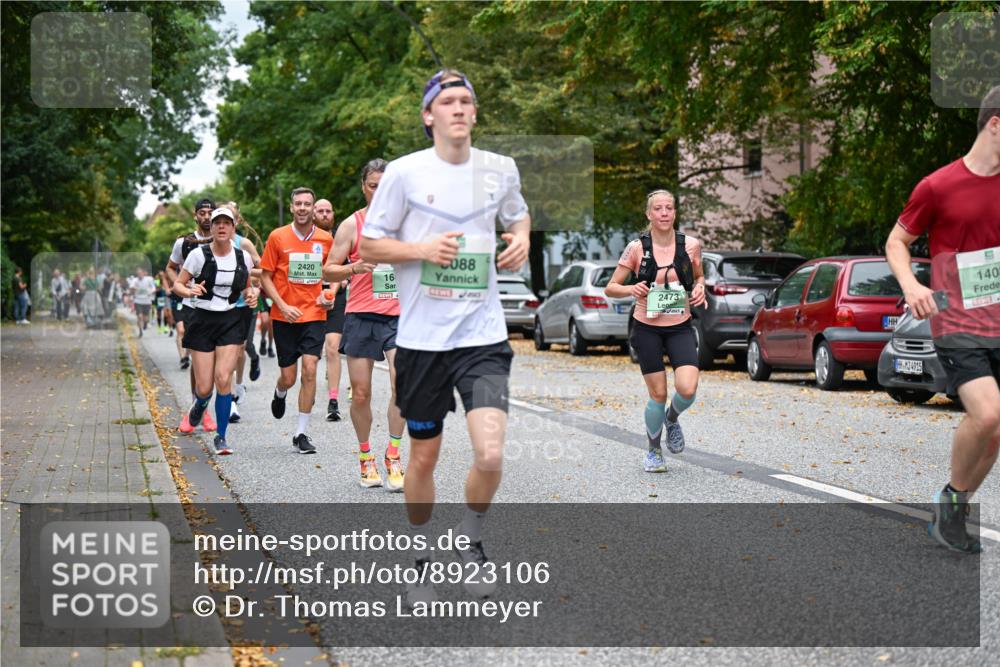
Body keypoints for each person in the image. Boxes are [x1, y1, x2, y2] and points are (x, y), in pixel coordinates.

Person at [359, 69, 531, 604]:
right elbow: (368, 247)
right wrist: (422, 250)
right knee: (424, 458)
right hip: (421, 343)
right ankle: (419, 558)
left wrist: (520, 238)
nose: (459, 108)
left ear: (475, 114)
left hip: (481, 338)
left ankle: (473, 546)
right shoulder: (405, 174)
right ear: (429, 115)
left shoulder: (500, 170)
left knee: (490, 453)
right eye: (448, 101)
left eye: (467, 101)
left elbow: (519, 215)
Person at [886, 85, 1000, 555]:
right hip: (956, 320)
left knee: (996, 426)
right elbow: (897, 241)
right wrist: (912, 286)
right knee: (989, 412)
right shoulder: (938, 186)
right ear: (996, 123)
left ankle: (952, 506)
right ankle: (952, 502)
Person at [605, 190, 707, 473]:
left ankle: (671, 419)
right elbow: (611, 286)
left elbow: (699, 276)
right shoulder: (636, 248)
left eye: (669, 208)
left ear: (675, 213)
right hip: (647, 328)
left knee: (687, 388)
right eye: (658, 209)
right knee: (658, 394)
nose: (664, 213)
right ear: (649, 214)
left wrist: (700, 287)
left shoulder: (691, 245)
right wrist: (631, 288)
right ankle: (653, 451)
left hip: (680, 326)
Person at [323, 158, 405, 490]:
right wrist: (353, 269)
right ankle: (366, 456)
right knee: (360, 394)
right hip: (360, 317)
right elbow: (328, 270)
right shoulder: (351, 226)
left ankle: (394, 455)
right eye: (374, 186)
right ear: (364, 186)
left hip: (400, 317)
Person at [171, 207, 258, 455]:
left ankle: (221, 437)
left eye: (226, 223)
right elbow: (178, 284)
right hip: (202, 319)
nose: (221, 226)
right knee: (205, 386)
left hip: (230, 319)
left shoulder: (244, 257)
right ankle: (199, 403)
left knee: (223, 379)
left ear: (233, 228)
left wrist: (251, 296)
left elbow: (247, 287)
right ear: (212, 227)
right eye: (217, 222)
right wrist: (189, 291)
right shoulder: (198, 255)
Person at [259, 187, 334, 454]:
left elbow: (334, 275)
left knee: (311, 370)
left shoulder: (326, 240)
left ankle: (301, 433)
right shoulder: (278, 237)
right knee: (289, 378)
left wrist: (330, 294)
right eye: (298, 204)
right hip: (284, 316)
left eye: (307, 204)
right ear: (292, 208)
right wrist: (281, 305)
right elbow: (265, 276)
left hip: (314, 314)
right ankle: (280, 392)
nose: (302, 208)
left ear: (313, 209)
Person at [166, 197, 218, 433]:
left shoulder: (223, 238)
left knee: (216, 363)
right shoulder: (184, 243)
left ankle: (203, 403)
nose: (206, 217)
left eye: (210, 212)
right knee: (199, 362)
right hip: (193, 305)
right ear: (195, 216)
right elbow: (170, 267)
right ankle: (202, 409)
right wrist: (178, 286)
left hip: (219, 306)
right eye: (202, 213)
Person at [224, 201, 263, 423]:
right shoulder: (210, 245)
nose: (225, 224)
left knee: (241, 348)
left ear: (236, 222)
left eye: (230, 219)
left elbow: (261, 269)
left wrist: (254, 287)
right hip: (222, 306)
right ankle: (229, 399)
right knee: (229, 350)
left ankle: (237, 386)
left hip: (243, 304)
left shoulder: (244, 243)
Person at [313, 198, 347, 422]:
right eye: (320, 211)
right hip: (310, 298)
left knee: (333, 348)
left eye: (328, 210)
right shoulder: (306, 239)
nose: (325, 214)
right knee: (312, 354)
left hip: (335, 296)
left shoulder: (342, 237)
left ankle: (333, 401)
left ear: (333, 214)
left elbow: (343, 270)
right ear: (313, 214)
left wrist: (333, 292)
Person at [131, 267, 156, 337]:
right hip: (138, 300)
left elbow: (154, 288)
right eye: (138, 274)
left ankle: (145, 323)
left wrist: (150, 292)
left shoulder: (149, 279)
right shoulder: (135, 280)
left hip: (147, 301)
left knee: (146, 317)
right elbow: (132, 287)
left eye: (140, 273)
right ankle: (140, 331)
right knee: (139, 316)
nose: (139, 275)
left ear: (143, 273)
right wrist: (134, 288)